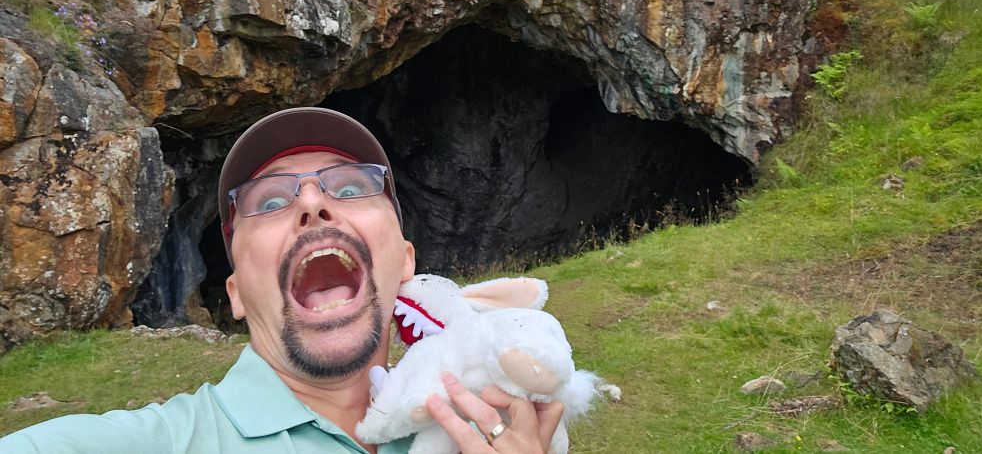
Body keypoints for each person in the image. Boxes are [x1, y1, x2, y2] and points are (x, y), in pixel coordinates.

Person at [0, 107, 564, 453]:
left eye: (349, 187)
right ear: (237, 294)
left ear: (405, 263)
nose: (313, 203)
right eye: (269, 201)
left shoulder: (486, 421)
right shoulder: (157, 443)